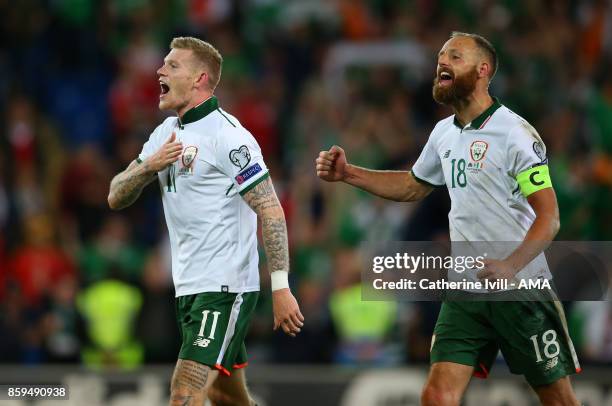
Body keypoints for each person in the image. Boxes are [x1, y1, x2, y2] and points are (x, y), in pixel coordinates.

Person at [316, 32, 581, 405]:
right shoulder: (443, 133)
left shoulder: (515, 134)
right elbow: (412, 185)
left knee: (558, 399)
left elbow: (549, 217)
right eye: (441, 56)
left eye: (455, 57)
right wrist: (349, 174)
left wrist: (511, 265)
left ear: (483, 69)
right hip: (466, 289)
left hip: (521, 289)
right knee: (438, 394)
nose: (442, 62)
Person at [108, 36, 304, 406]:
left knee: (185, 393)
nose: (160, 70)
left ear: (199, 79)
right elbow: (115, 195)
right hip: (188, 287)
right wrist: (149, 167)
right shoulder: (164, 134)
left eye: (172, 65)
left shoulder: (228, 136)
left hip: (225, 287)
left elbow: (270, 208)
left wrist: (280, 286)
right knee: (225, 394)